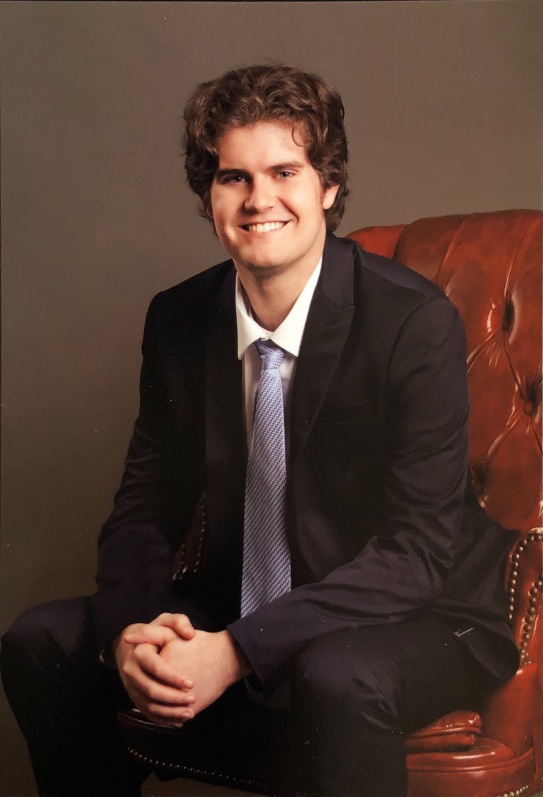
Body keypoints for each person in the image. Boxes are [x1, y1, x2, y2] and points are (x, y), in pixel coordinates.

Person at [1, 63, 520, 797]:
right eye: (231, 178)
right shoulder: (180, 319)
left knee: (334, 671)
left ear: (327, 187)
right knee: (40, 639)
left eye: (283, 171)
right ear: (208, 195)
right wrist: (133, 634)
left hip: (416, 614)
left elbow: (414, 553)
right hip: (238, 603)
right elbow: (145, 510)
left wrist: (239, 651)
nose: (257, 200)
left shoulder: (411, 323)